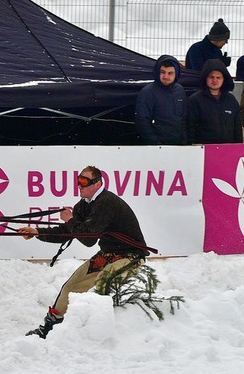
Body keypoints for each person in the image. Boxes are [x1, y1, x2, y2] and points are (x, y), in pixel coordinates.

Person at [18, 166, 150, 339]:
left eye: (84, 182)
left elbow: (88, 239)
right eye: (78, 181)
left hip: (131, 256)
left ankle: (101, 331)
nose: (79, 186)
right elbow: (68, 231)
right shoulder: (82, 206)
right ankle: (50, 328)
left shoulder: (107, 202)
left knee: (104, 282)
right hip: (108, 255)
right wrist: (37, 233)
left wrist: (71, 219)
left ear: (98, 184)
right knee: (70, 287)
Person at [134, 55, 188, 145]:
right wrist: (156, 144)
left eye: (170, 73)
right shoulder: (148, 92)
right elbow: (142, 122)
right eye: (163, 72)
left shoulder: (180, 90)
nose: (166, 76)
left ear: (176, 74)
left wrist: (184, 142)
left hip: (178, 146)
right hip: (156, 148)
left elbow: (184, 119)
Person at [188, 59, 243, 144]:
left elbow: (237, 128)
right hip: (203, 152)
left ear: (224, 79)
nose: (215, 80)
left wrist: (238, 148)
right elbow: (190, 128)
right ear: (205, 78)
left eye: (218, 77)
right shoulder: (195, 100)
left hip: (228, 150)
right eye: (211, 77)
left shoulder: (231, 100)